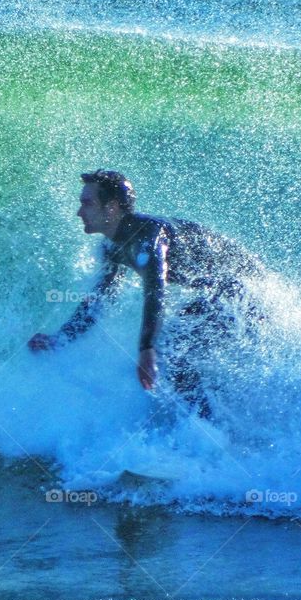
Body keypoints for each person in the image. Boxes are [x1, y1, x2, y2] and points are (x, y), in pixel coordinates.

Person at [28, 170, 264, 417]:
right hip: (224, 292)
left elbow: (155, 290)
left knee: (170, 349)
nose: (79, 212)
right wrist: (60, 339)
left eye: (87, 204)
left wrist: (146, 348)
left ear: (111, 208)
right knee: (174, 350)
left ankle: (206, 426)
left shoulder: (149, 236)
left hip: (242, 291)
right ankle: (207, 420)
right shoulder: (112, 247)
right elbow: (100, 300)